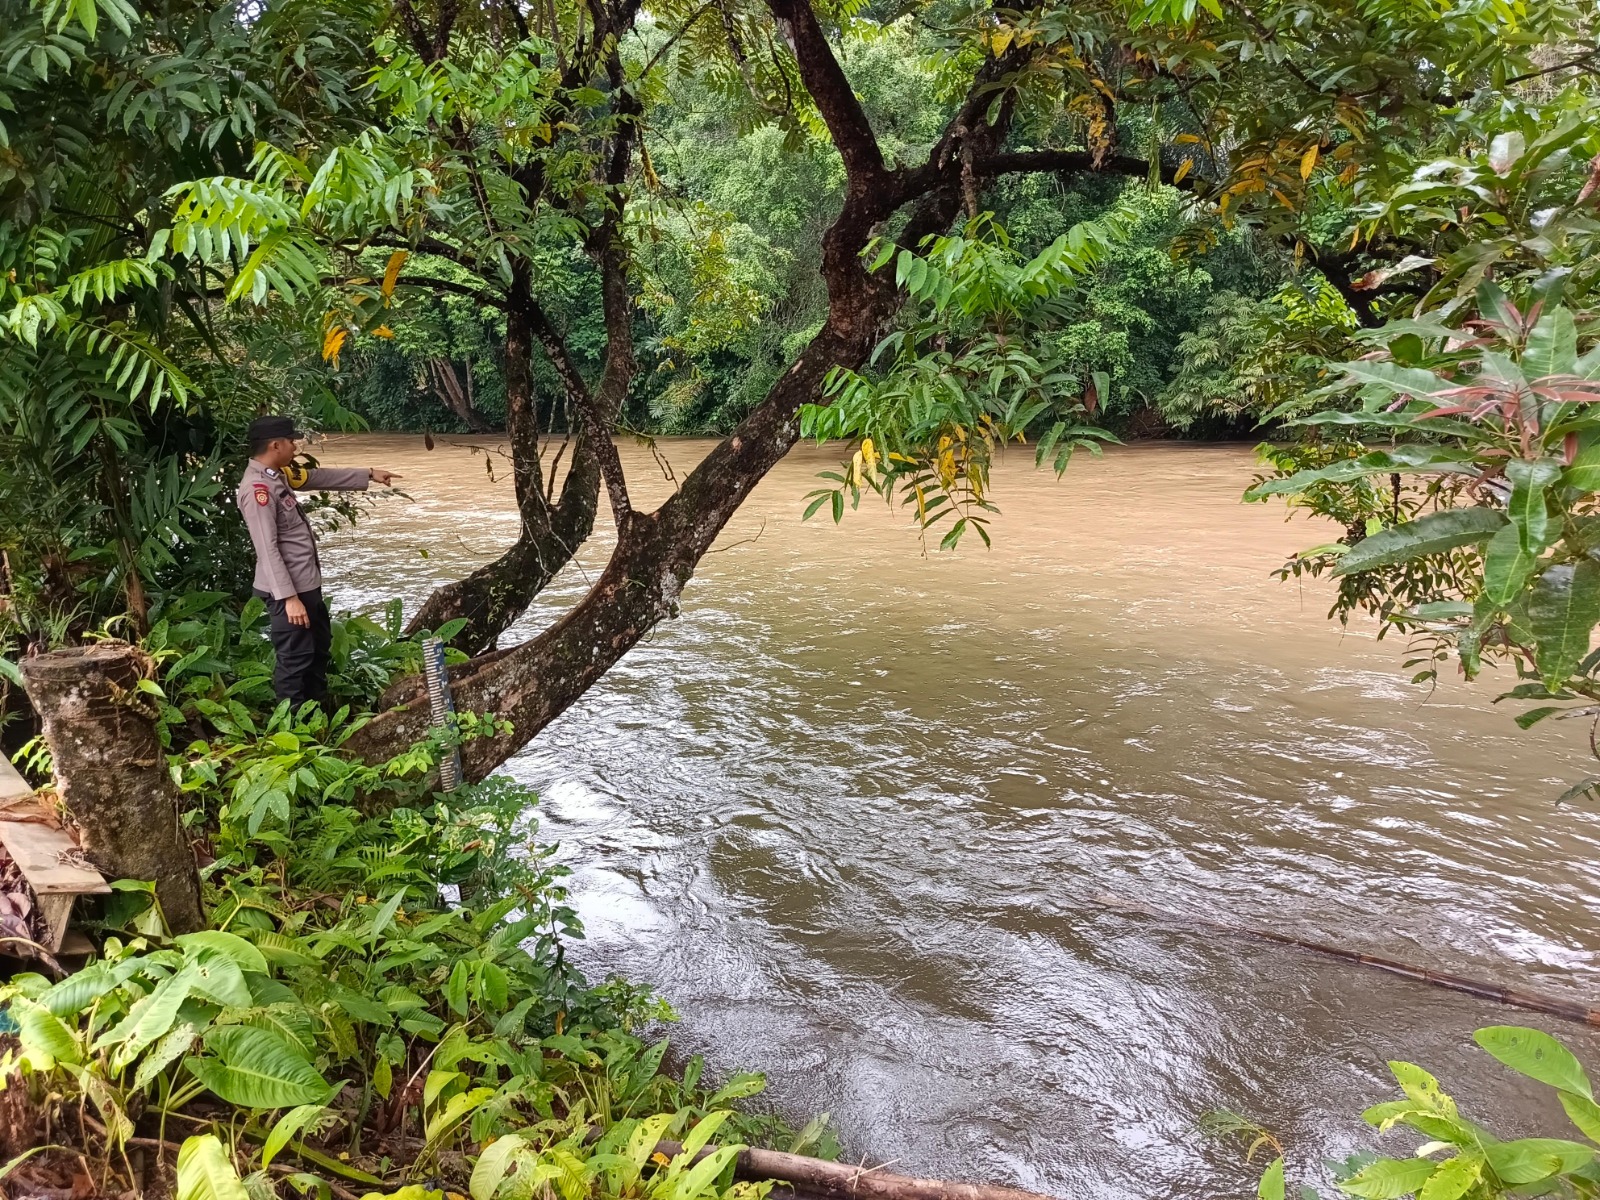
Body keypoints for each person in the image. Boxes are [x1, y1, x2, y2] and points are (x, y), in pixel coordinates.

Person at [236, 415, 401, 709]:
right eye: (290, 441)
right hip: (288, 592)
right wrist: (289, 599)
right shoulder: (258, 489)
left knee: (317, 650)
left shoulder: (278, 475)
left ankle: (318, 716)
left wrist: (369, 474)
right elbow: (267, 549)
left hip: (305, 584)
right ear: (275, 445)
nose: (295, 447)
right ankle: (291, 725)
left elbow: (316, 477)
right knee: (295, 660)